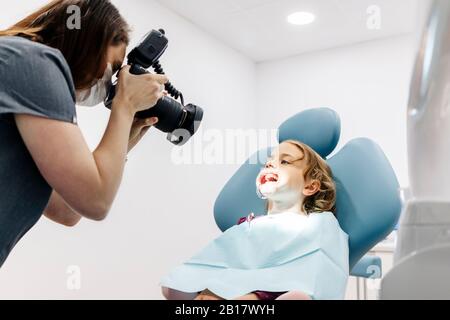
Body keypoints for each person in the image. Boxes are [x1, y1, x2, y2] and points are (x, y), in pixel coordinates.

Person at [0, 0, 168, 268]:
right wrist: (125, 105)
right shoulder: (35, 62)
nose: (109, 82)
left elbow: (68, 210)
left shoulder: (20, 72)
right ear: (90, 40)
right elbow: (96, 201)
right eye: (113, 68)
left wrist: (125, 140)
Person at [161, 140, 349, 300]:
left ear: (310, 186)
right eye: (268, 162)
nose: (269, 165)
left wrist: (256, 296)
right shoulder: (249, 225)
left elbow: (320, 269)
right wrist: (206, 287)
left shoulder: (319, 223)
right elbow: (222, 264)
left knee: (298, 295)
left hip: (277, 293)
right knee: (177, 284)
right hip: (228, 291)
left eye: (284, 161)